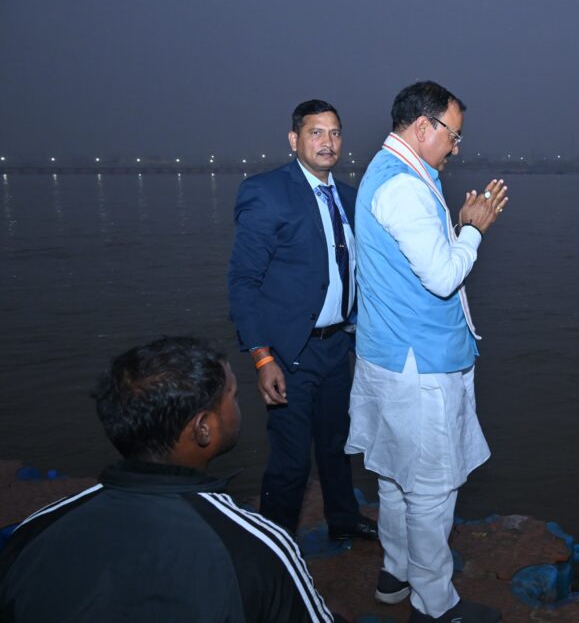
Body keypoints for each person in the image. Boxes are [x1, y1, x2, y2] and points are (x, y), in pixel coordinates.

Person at [0, 336, 336, 622]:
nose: (238, 404)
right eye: (232, 396)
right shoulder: (256, 547)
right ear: (203, 429)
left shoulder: (35, 529)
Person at [346, 81, 508, 623]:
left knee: (395, 478)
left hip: (388, 355)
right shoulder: (405, 188)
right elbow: (442, 277)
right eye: (453, 135)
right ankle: (434, 605)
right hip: (419, 366)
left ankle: (396, 574)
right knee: (432, 492)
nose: (456, 148)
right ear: (423, 126)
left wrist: (455, 226)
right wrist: (473, 230)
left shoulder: (388, 172)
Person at [228, 100, 376, 542]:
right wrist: (262, 357)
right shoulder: (267, 192)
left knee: (337, 444)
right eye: (316, 132)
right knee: (291, 459)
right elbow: (243, 281)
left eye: (335, 133)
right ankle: (276, 546)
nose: (328, 142)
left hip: (338, 346)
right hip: (290, 351)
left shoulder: (349, 197)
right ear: (294, 140)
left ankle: (343, 520)